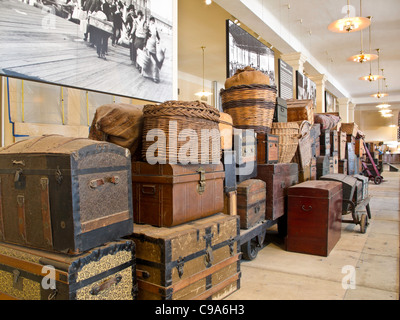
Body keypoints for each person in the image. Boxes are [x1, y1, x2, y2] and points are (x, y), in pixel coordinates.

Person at [144, 16, 164, 83]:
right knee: (149, 60)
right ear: (150, 21)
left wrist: (158, 40)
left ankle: (154, 76)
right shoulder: (148, 28)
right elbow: (146, 37)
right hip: (149, 45)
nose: (152, 22)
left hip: (154, 46)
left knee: (154, 61)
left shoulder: (155, 29)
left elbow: (158, 37)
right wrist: (144, 45)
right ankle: (148, 74)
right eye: (151, 21)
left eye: (153, 21)